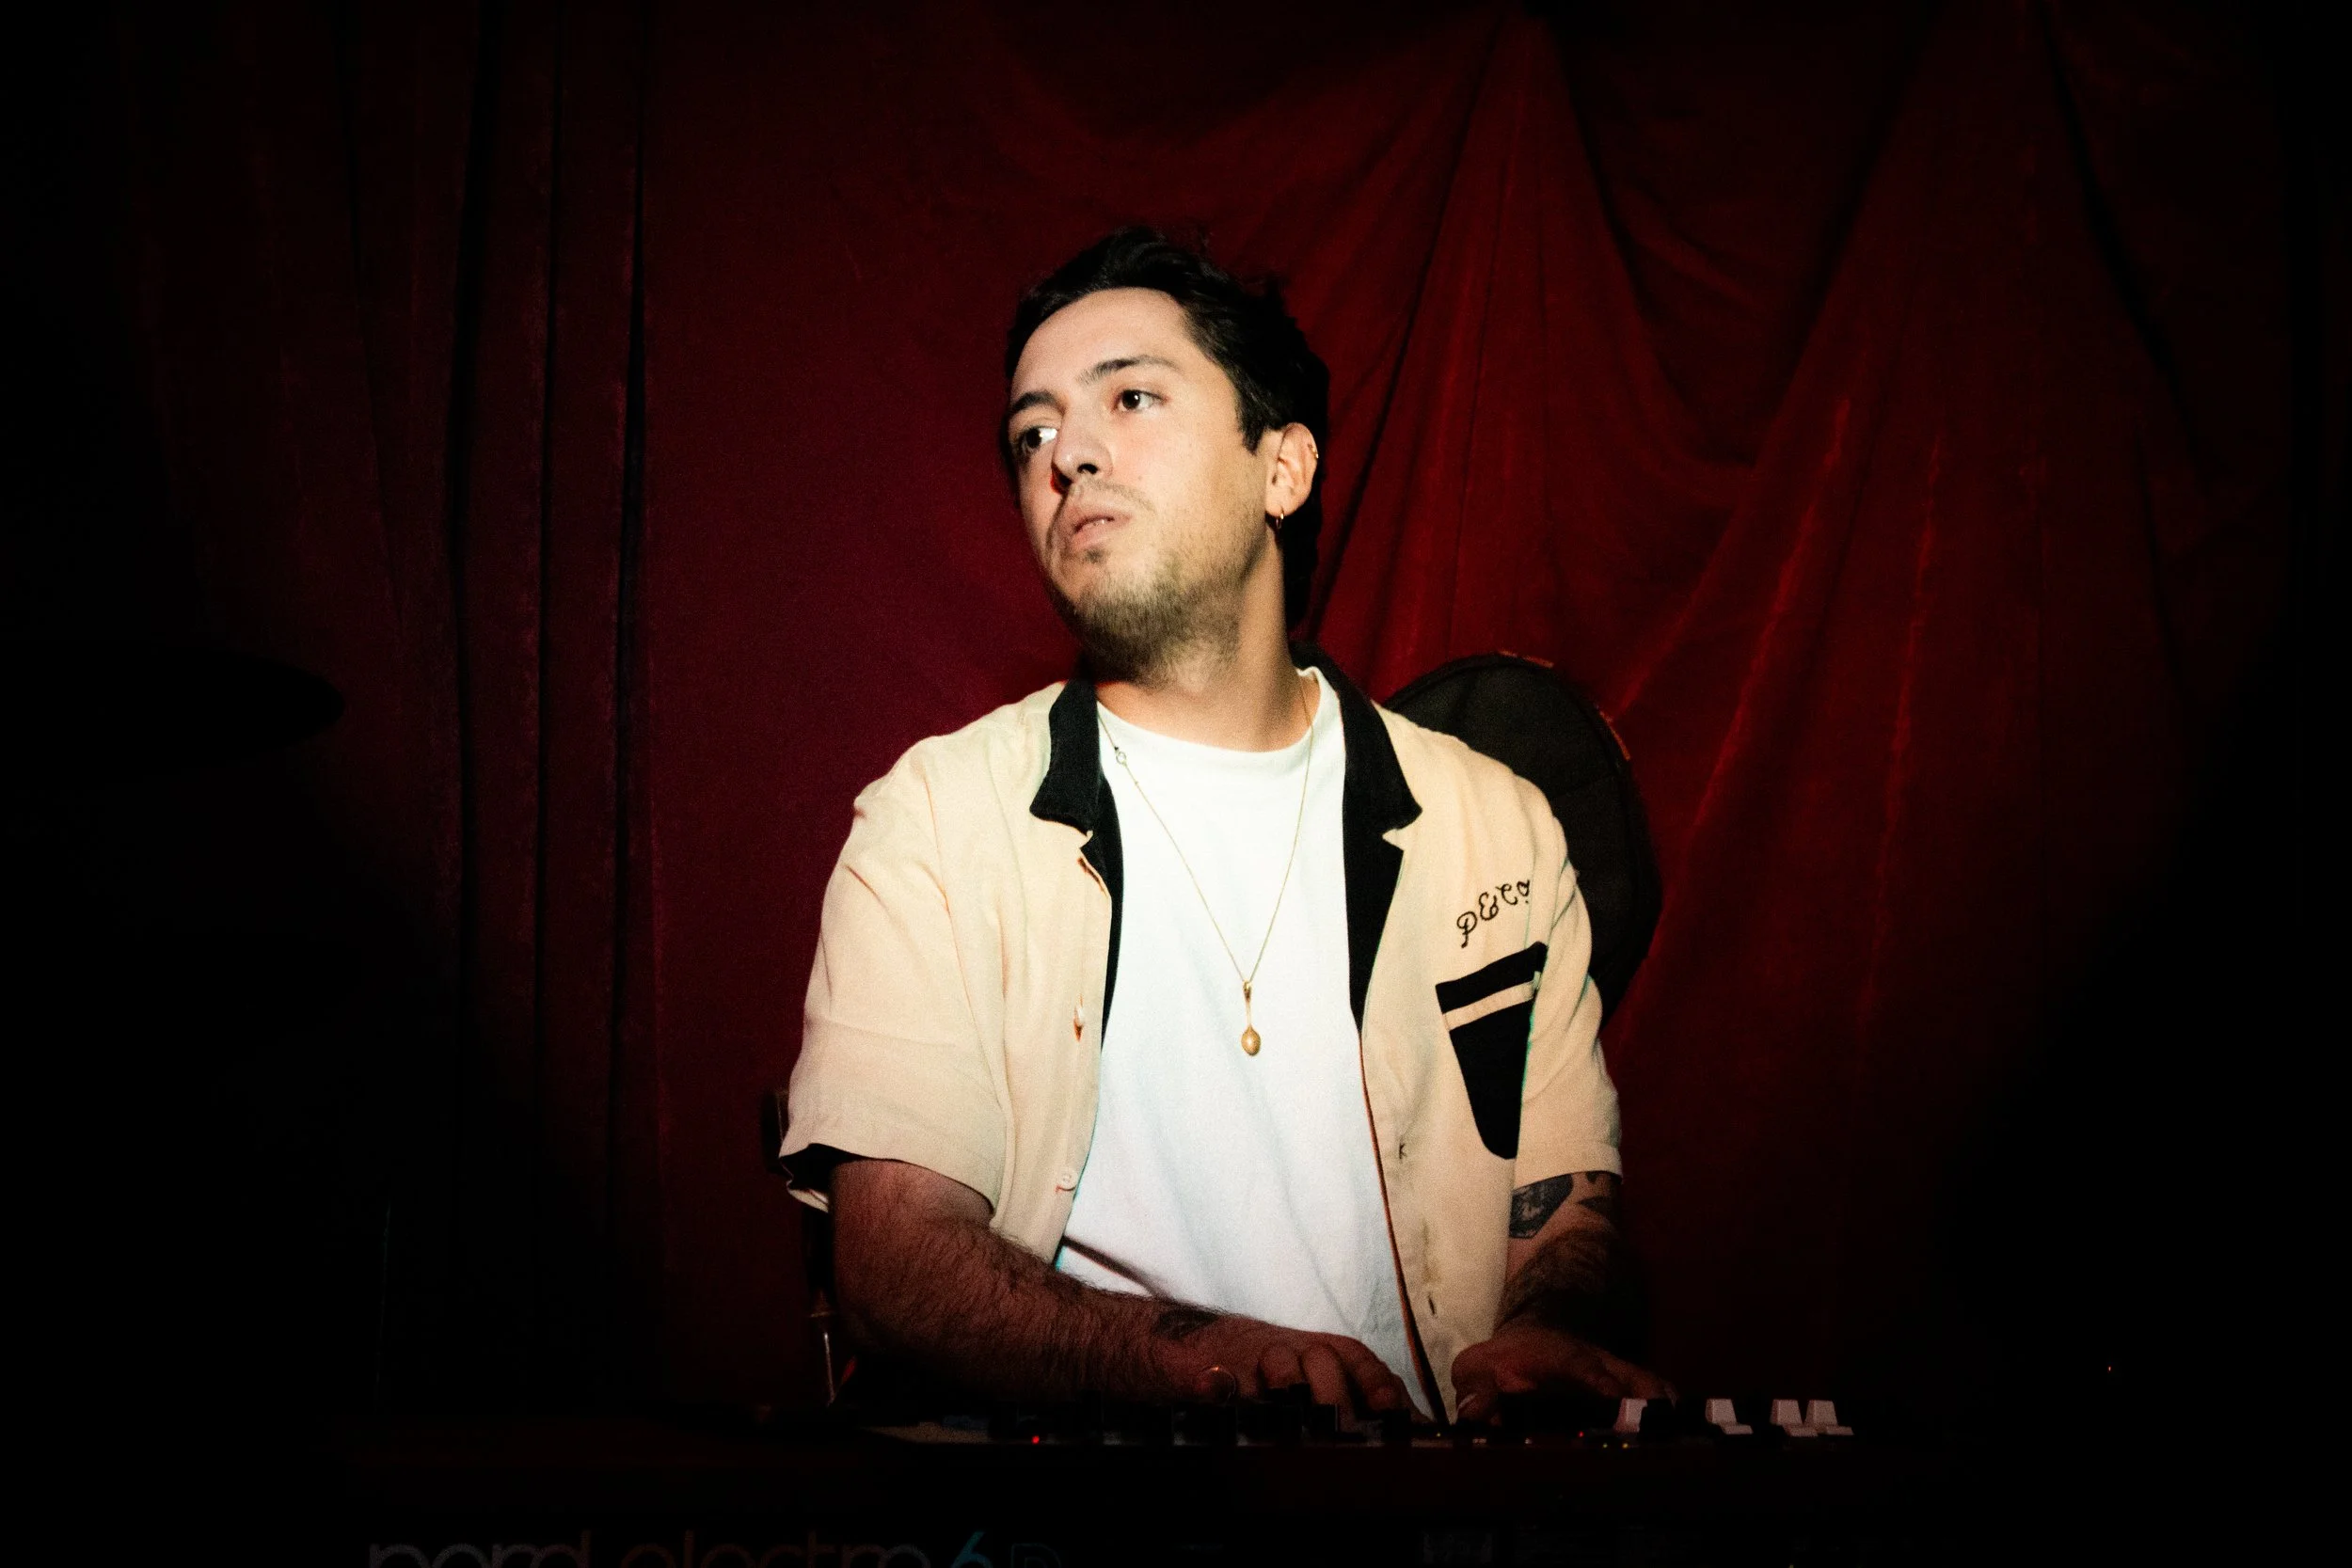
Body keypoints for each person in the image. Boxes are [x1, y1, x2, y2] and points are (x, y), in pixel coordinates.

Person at [779, 228, 1668, 1424]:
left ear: (1281, 469)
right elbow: (893, 1265)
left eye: (1130, 397)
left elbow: (1563, 1200)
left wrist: (1547, 1335)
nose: (1068, 455)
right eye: (1031, 432)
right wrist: (1208, 1366)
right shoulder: (934, 821)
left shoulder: (1492, 824)